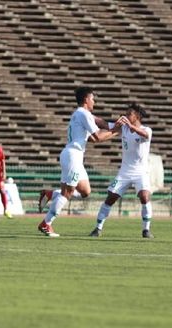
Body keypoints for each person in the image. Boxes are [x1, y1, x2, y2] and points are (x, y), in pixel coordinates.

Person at [37, 86, 122, 237]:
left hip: (73, 155)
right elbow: (96, 138)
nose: (94, 101)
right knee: (67, 193)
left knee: (85, 191)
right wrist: (116, 131)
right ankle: (46, 223)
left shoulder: (80, 114)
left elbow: (101, 122)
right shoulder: (84, 114)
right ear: (86, 100)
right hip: (73, 155)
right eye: (92, 99)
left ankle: (51, 194)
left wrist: (117, 124)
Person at [89, 103, 154, 238]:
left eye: (129, 113)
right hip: (125, 171)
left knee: (144, 196)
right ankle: (98, 228)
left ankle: (146, 230)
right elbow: (105, 124)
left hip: (141, 171)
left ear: (137, 116)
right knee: (110, 198)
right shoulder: (123, 128)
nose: (126, 115)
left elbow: (145, 135)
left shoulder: (146, 129)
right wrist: (88, 115)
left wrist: (131, 127)